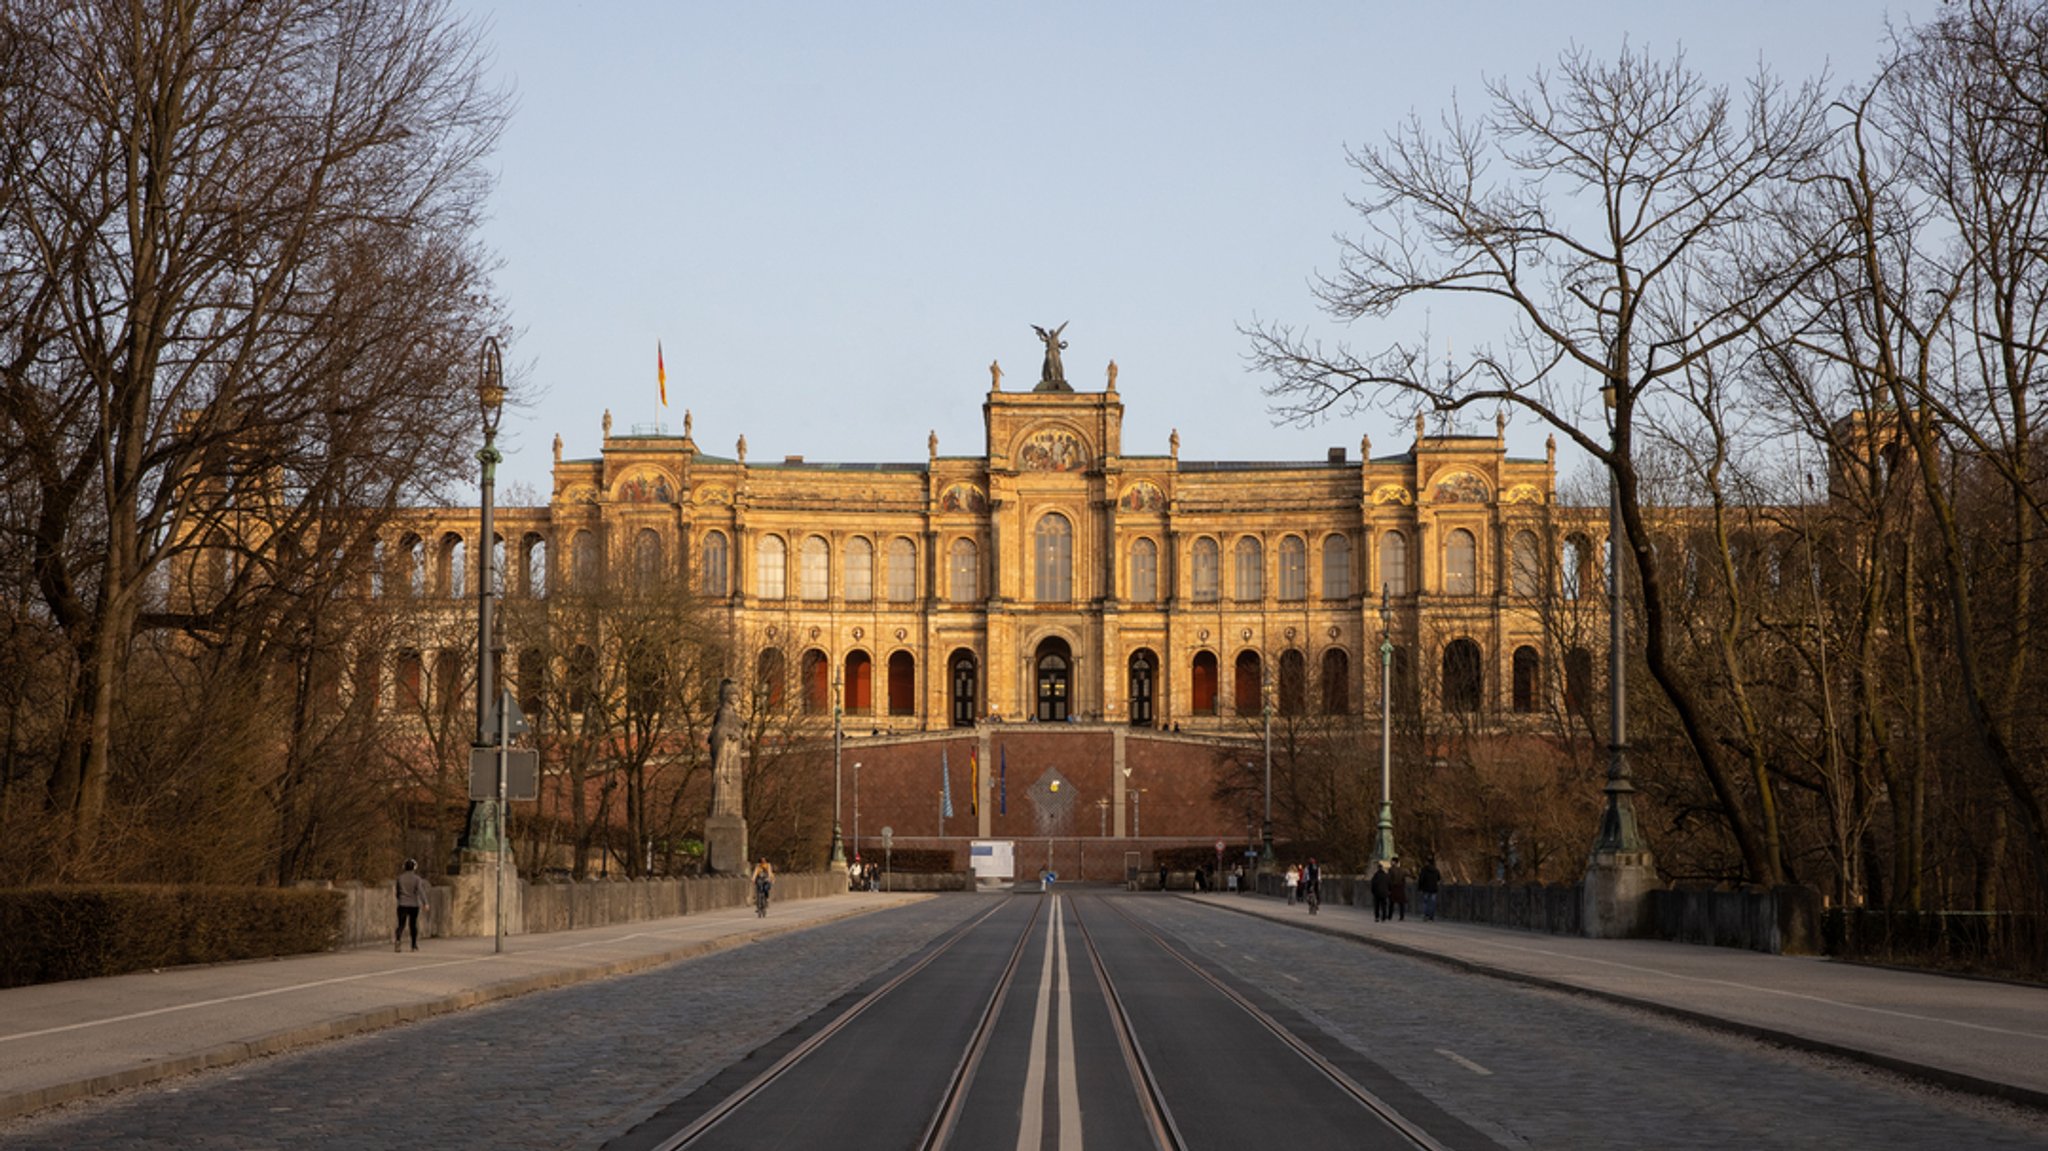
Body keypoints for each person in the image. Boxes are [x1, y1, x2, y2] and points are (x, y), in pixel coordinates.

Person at [394, 858, 428, 952]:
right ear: (414, 867)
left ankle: (398, 940)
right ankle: (413, 945)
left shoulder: (400, 878)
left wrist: (400, 899)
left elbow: (397, 892)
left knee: (401, 924)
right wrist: (425, 903)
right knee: (413, 925)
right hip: (414, 904)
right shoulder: (417, 879)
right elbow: (420, 891)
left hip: (402, 904)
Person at [1418, 857, 1443, 922]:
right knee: (1432, 903)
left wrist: (1420, 888)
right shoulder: (1436, 870)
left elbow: (1421, 879)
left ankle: (1426, 915)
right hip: (1434, 888)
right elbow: (1439, 878)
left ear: (1427, 862)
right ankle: (1431, 916)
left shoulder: (1424, 870)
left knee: (1425, 902)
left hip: (1425, 888)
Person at [1388, 855, 1410, 922]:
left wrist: (1388, 888)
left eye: (1392, 861)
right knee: (1401, 903)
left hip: (1394, 887)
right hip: (1401, 887)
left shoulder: (1391, 870)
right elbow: (1409, 874)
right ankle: (1402, 917)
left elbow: (1389, 880)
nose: (1391, 863)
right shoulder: (1403, 870)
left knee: (1391, 903)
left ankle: (1390, 916)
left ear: (1395, 862)